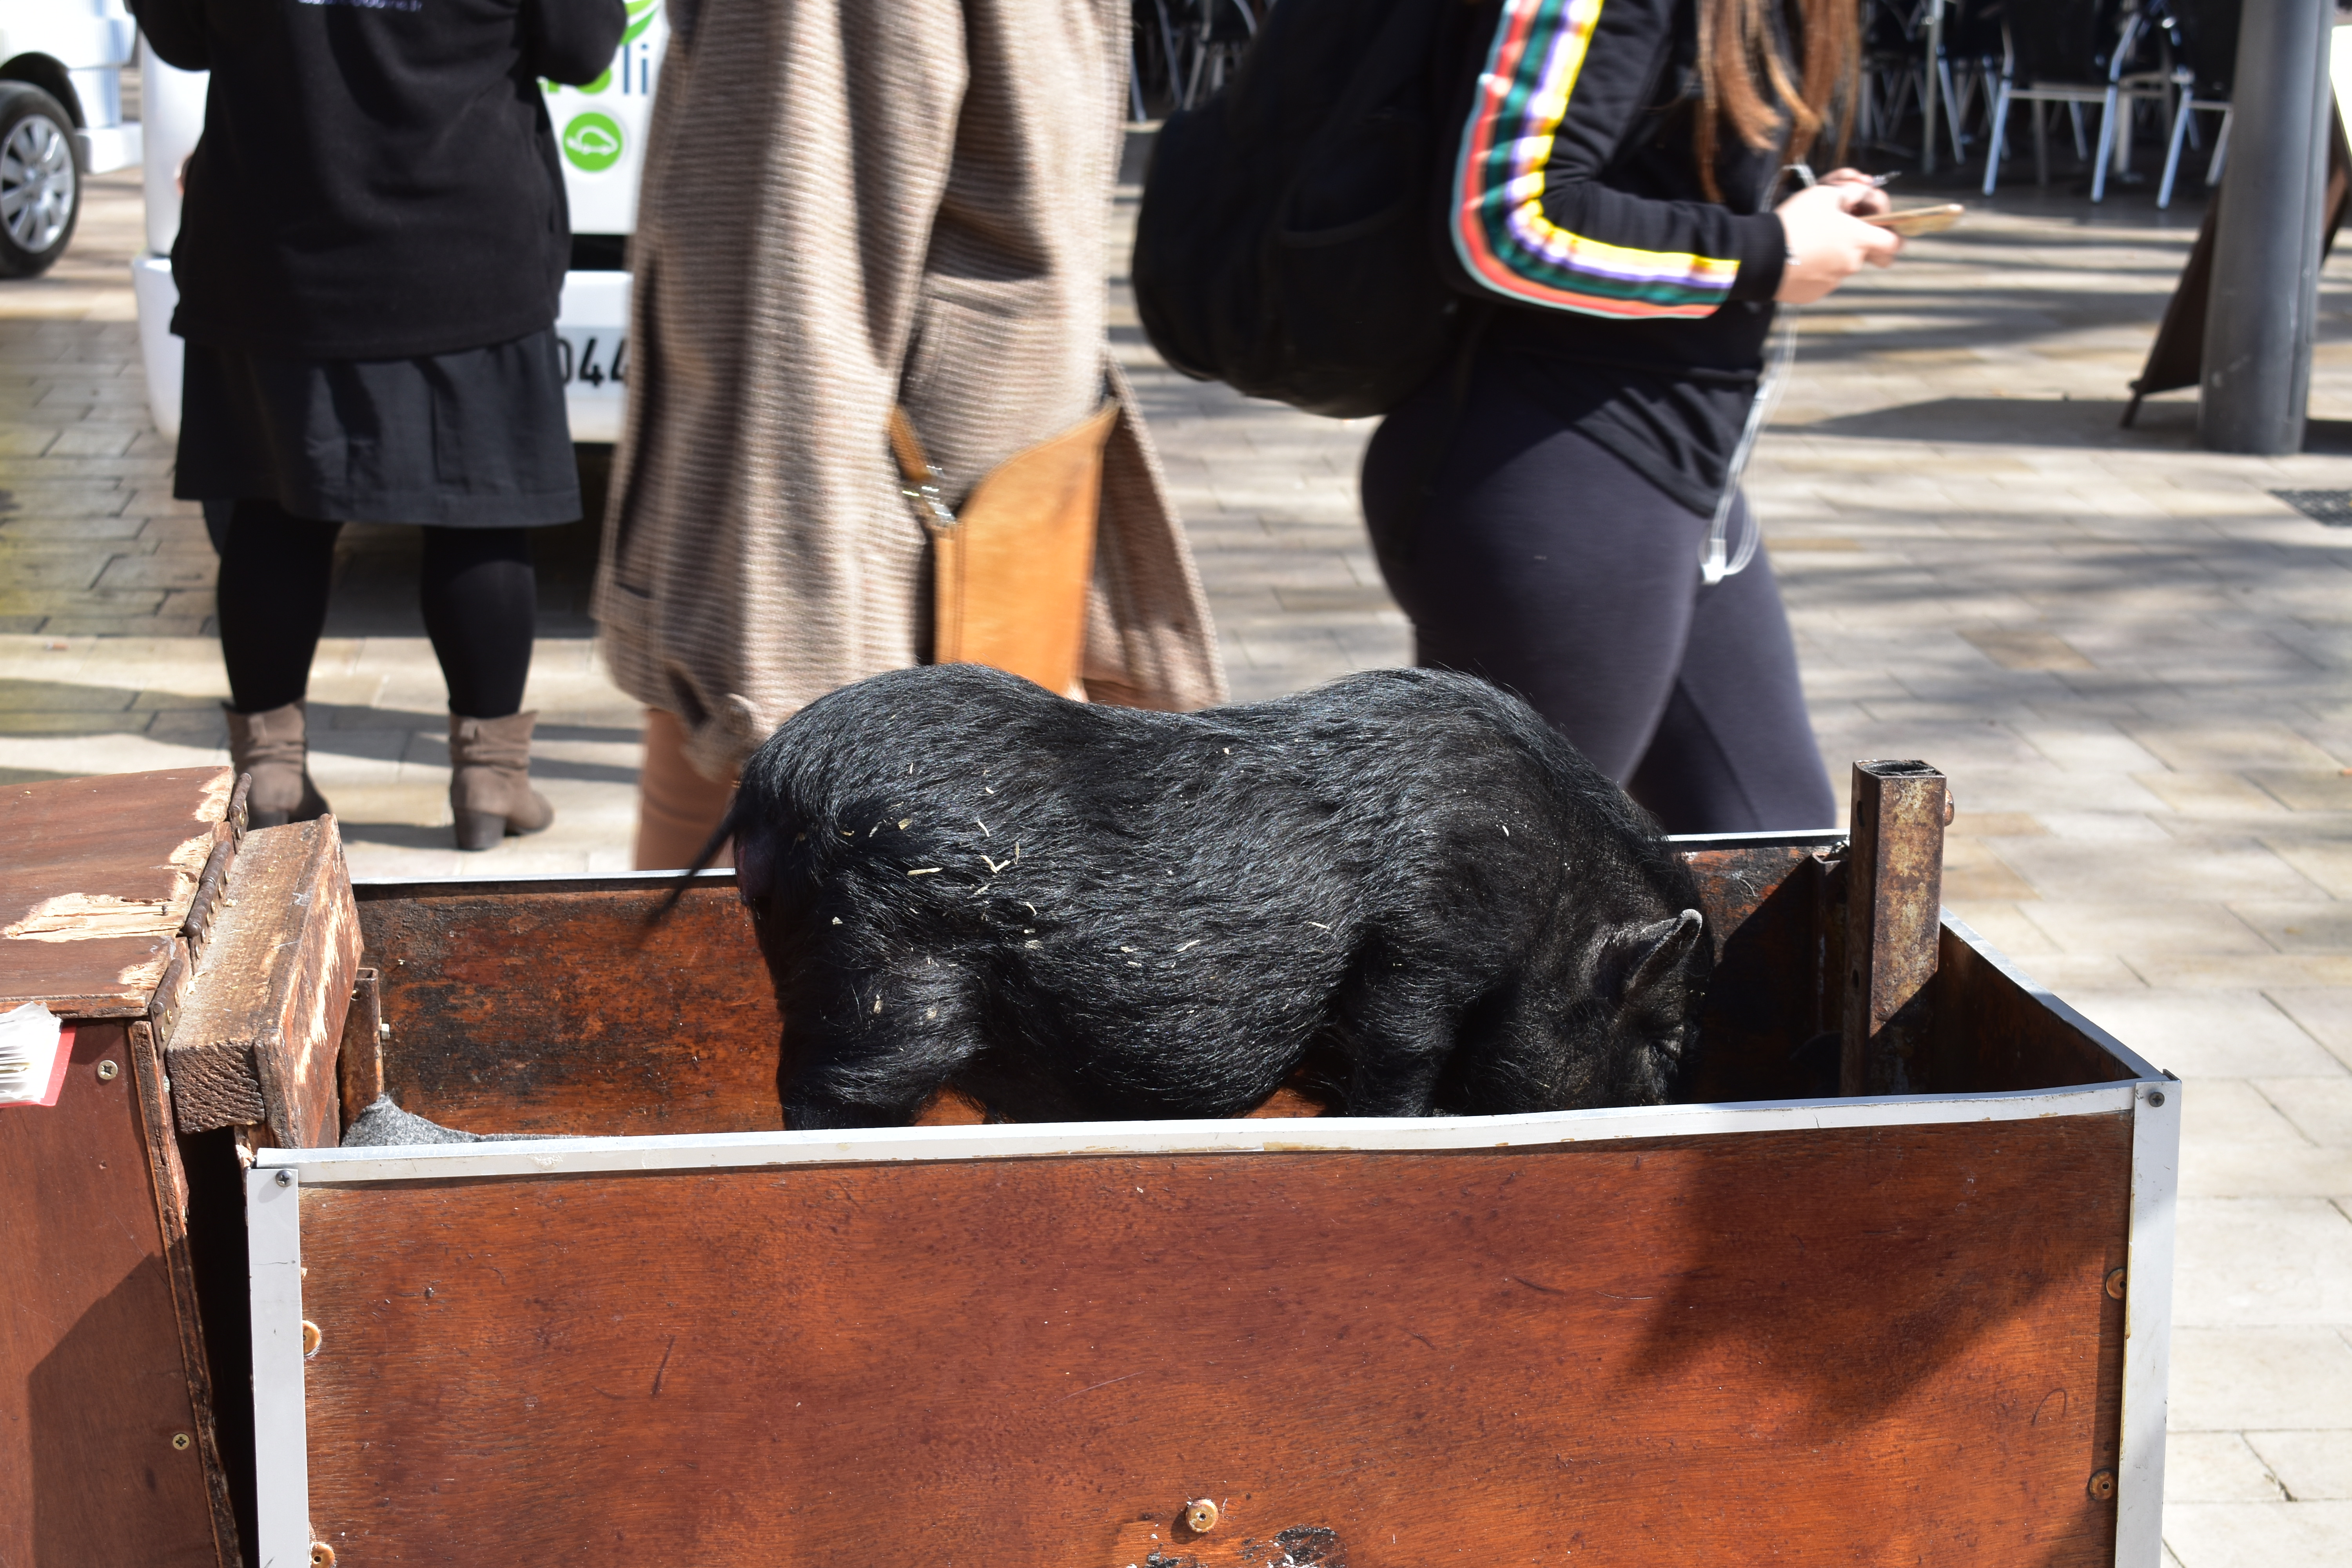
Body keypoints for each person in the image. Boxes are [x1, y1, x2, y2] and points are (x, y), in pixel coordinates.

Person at [597, 0, 1225, 870]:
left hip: (876, 597)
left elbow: (799, 289)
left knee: (737, 936)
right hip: (951, 565)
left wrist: (783, 690)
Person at [1359, 0, 1902, 834]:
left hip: (1678, 474)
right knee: (1509, 883)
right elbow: (1502, 224)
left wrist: (1795, 212)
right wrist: (1767, 252)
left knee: (1773, 838)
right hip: (1552, 470)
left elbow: (1641, 161)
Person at [133, 0, 627, 844]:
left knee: (272, 510)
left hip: (273, 251)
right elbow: (582, 47)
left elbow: (180, 37)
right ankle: (491, 778)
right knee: (480, 514)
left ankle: (270, 769)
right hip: (464, 253)